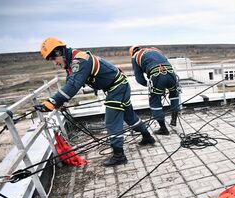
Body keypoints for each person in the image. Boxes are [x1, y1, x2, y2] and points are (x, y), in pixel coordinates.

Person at [38, 37, 155, 166]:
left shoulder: (80, 60)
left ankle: (119, 156)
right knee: (129, 116)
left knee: (112, 121)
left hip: (117, 88)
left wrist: (52, 102)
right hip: (119, 86)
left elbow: (73, 85)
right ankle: (147, 137)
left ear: (59, 52)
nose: (55, 63)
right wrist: (60, 103)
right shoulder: (73, 61)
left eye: (53, 59)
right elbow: (71, 81)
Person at [129, 46, 182, 135]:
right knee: (174, 94)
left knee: (155, 101)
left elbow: (139, 78)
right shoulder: (154, 50)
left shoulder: (135, 57)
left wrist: (149, 85)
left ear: (132, 53)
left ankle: (163, 128)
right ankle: (174, 119)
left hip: (157, 75)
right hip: (171, 73)